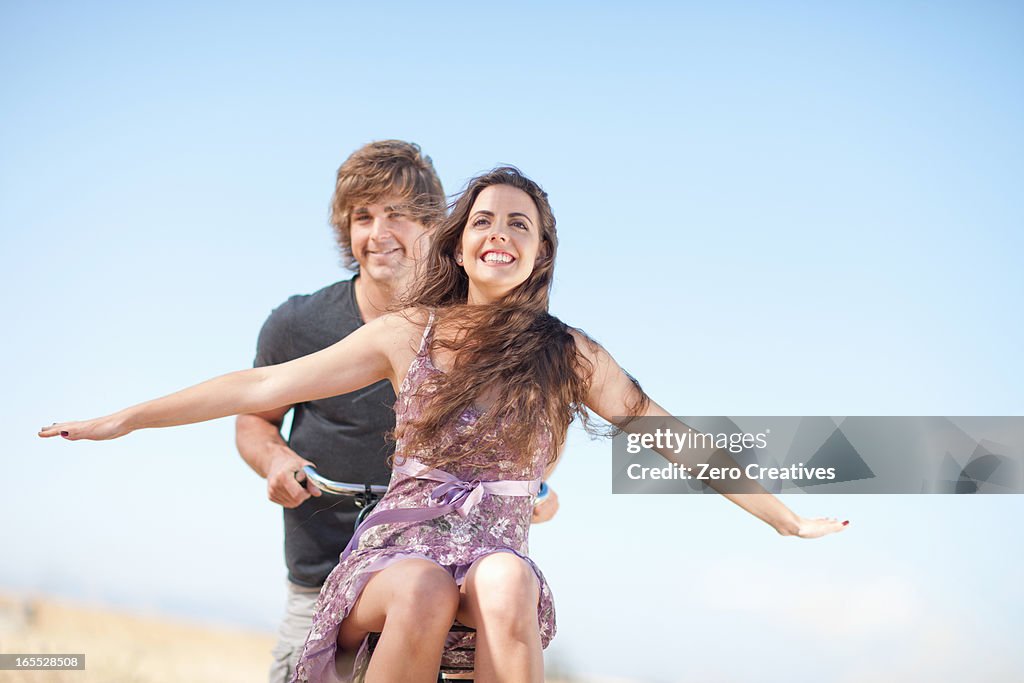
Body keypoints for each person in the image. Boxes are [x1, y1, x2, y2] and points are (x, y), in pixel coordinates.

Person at [40, 167, 847, 683]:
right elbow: (265, 383)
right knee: (426, 587)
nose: (500, 233)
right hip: (398, 556)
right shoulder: (408, 332)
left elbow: (669, 431)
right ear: (461, 245)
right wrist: (130, 418)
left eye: (520, 224)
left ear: (540, 253)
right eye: (485, 221)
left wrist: (784, 516)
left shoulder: (568, 355)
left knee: (509, 578)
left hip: (495, 554)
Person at [233, 141, 560, 682]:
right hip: (320, 569)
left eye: (399, 215)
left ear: (438, 232)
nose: (379, 233)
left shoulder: (468, 330)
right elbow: (254, 417)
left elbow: (517, 438)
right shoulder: (298, 324)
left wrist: (534, 489)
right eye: (363, 218)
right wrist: (273, 458)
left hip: (441, 572)